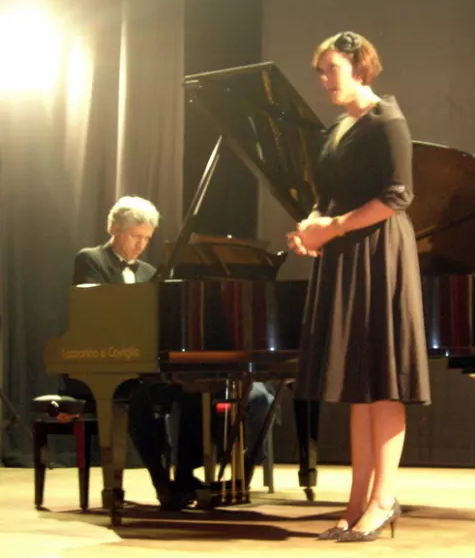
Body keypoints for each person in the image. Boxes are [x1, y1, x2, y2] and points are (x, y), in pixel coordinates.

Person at [286, 31, 431, 542]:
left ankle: (382, 499)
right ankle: (354, 503)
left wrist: (335, 227)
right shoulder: (337, 129)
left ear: (360, 67)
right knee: (356, 384)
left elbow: (398, 197)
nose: (324, 79)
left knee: (382, 379)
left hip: (378, 253)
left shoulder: (386, 121)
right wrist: (310, 227)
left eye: (331, 69)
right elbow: (326, 197)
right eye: (321, 71)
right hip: (346, 253)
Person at [72, 195, 274, 508]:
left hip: (148, 364)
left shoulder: (150, 271)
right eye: (134, 236)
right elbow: (95, 312)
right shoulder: (91, 259)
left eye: (146, 239)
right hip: (106, 362)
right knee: (137, 399)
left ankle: (183, 476)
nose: (140, 245)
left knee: (193, 391)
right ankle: (160, 481)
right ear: (114, 228)